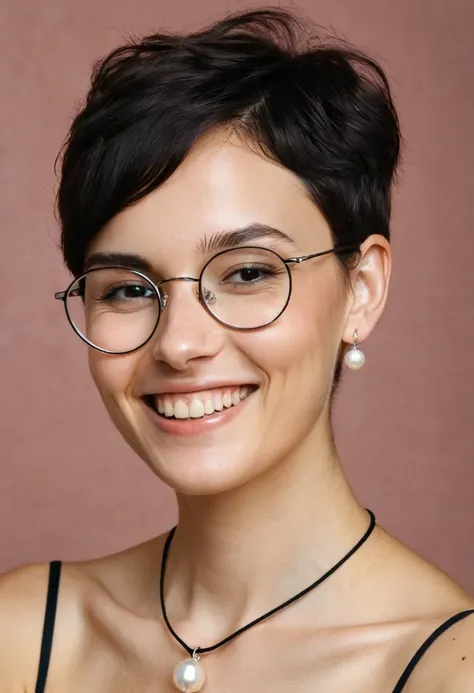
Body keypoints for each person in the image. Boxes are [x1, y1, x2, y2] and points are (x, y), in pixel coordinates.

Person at [1, 7, 473, 693]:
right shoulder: (23, 638)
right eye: (129, 289)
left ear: (362, 288)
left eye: (247, 273)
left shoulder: (443, 669)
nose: (182, 343)